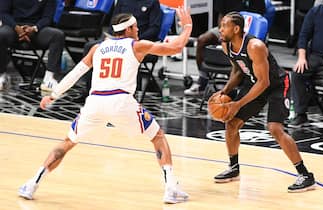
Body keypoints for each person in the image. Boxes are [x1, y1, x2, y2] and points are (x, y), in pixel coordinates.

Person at [18, 7, 192, 204]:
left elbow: (76, 73)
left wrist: (54, 95)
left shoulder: (97, 48)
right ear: (127, 30)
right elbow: (176, 48)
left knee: (67, 142)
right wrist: (187, 27)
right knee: (158, 137)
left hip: (95, 103)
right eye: (135, 27)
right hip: (121, 102)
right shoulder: (136, 45)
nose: (137, 30)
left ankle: (32, 183)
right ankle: (170, 188)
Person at [212, 12, 316, 192]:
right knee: (231, 124)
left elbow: (265, 82)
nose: (220, 29)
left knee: (274, 128)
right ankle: (233, 167)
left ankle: (305, 174)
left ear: (236, 29)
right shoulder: (226, 45)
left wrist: (237, 103)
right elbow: (238, 70)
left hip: (276, 84)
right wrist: (225, 91)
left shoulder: (255, 46)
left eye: (224, 26)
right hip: (254, 82)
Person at [79, 0, 162, 100]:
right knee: (90, 46)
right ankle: (88, 90)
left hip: (138, 41)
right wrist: (111, 36)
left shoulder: (152, 2)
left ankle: (132, 94)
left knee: (131, 52)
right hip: (118, 38)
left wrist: (136, 40)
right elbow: (114, 22)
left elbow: (155, 28)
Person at [184, 0, 266, 96]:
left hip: (248, 31)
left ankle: (242, 83)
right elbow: (221, 15)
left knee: (244, 47)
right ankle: (202, 80)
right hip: (228, 28)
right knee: (202, 40)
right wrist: (222, 32)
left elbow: (259, 18)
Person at [0, 0, 65, 91]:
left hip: (37, 29)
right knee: (1, 34)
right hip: (13, 28)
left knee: (58, 35)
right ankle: (1, 74)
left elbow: (48, 17)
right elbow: (3, 13)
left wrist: (35, 28)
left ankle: (49, 77)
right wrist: (16, 27)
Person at [290, 0, 323, 127]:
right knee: (298, 73)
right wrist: (301, 57)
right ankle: (301, 114)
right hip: (317, 56)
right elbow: (303, 36)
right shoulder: (316, 11)